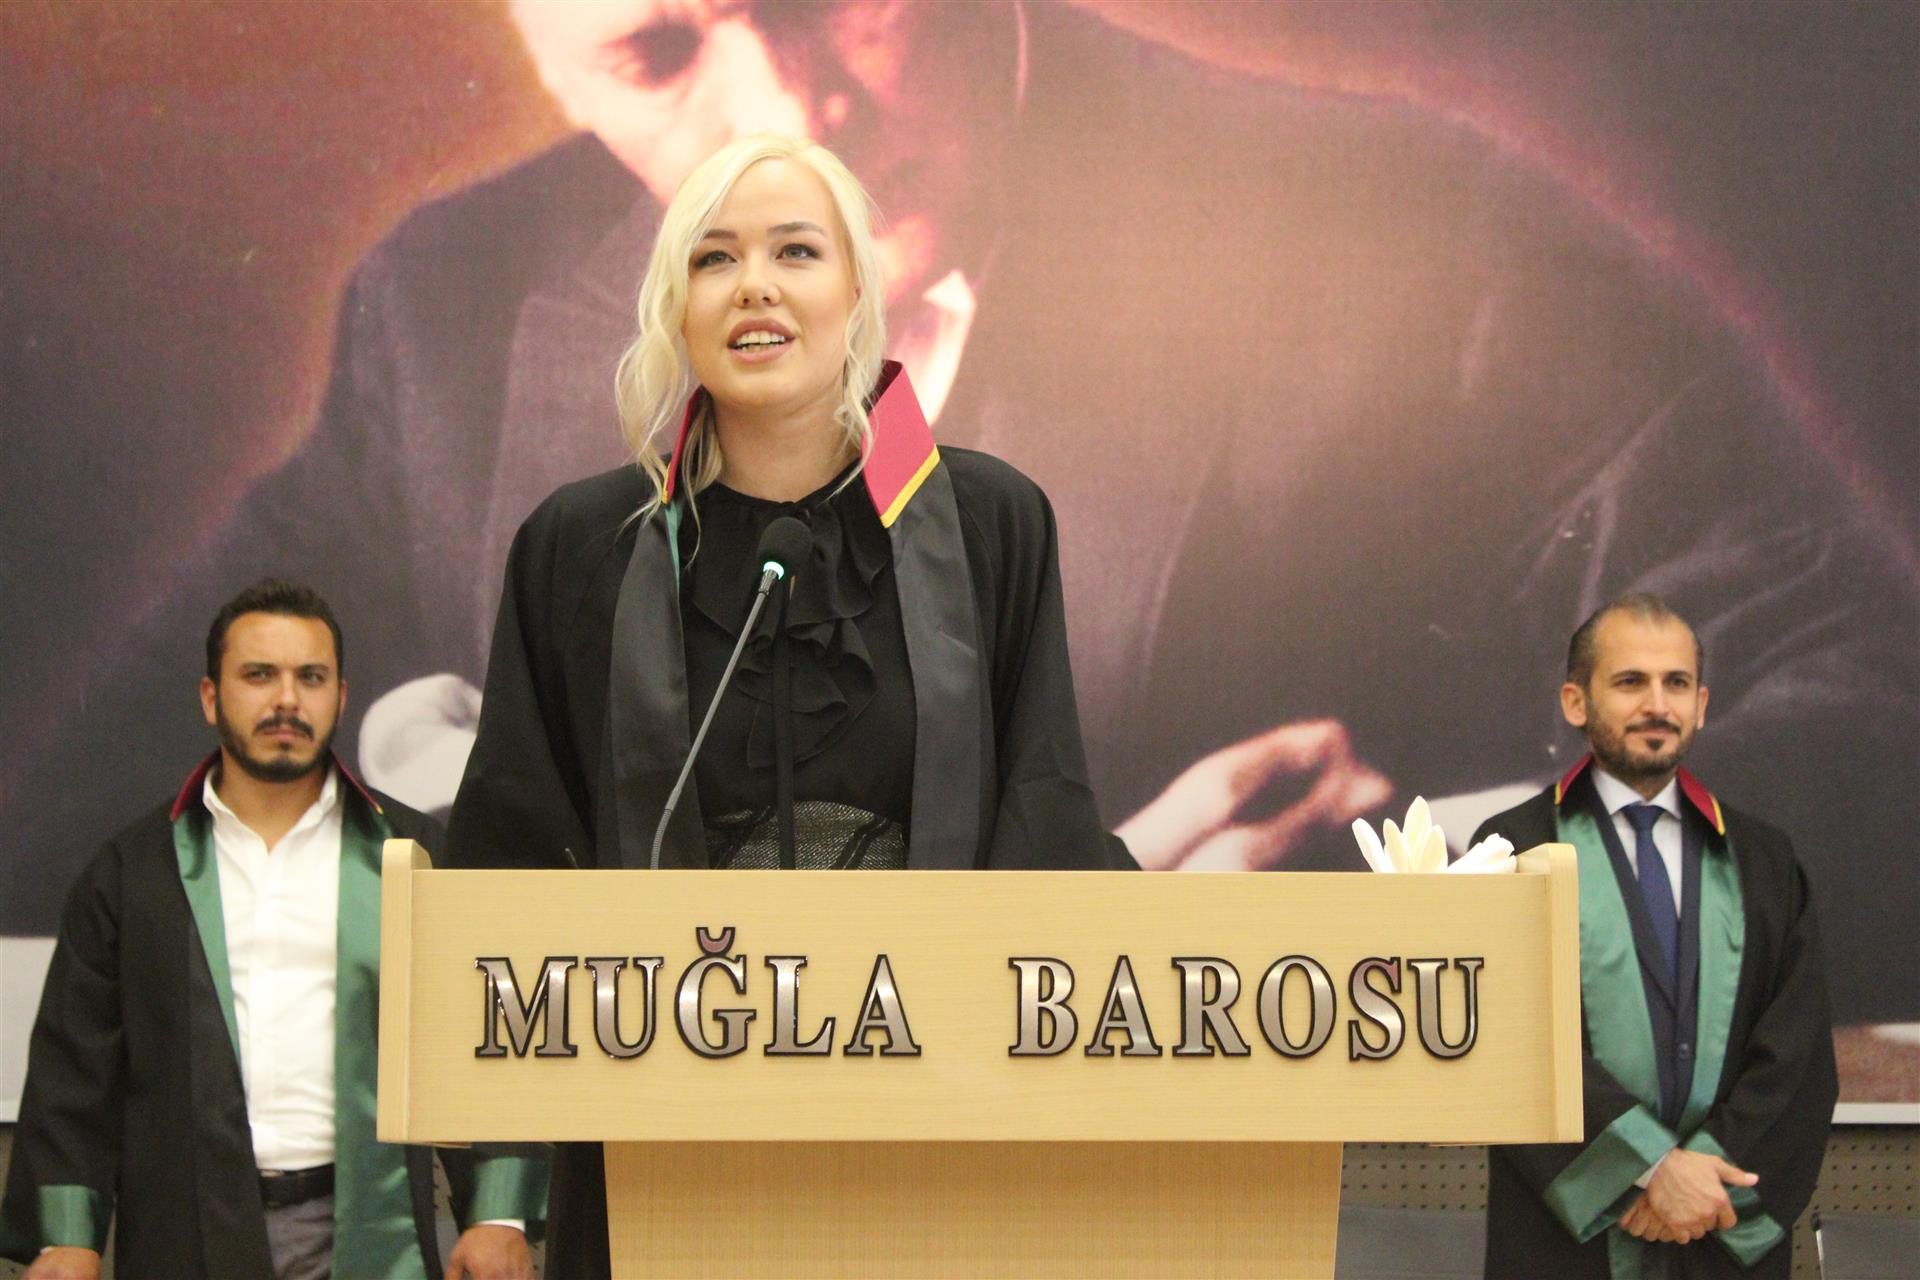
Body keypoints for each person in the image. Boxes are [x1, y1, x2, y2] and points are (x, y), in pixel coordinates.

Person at [8, 1, 1914, 1038]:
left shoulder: (1421, 240)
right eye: (659, 56)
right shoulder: (442, 311)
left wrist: (1418, 927)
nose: (787, 125)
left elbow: (1873, 709)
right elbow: (76, 829)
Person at [443, 132, 1133, 1277]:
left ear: (858, 288)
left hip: (931, 1136)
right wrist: (505, 1197)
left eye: (796, 251)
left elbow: (1043, 815)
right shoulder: (581, 547)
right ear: (676, 305)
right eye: (714, 258)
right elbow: (513, 869)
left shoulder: (989, 522)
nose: (754, 284)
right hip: (660, 1140)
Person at [0, 580, 545, 1280]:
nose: (287, 699)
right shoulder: (133, 875)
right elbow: (75, 1072)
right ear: (210, 697)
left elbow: (488, 1037)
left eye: (310, 678)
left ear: (341, 698)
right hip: (185, 1231)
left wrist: (498, 1214)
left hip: (366, 1227)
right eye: (259, 675)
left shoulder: (413, 856)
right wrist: (67, 1238)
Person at [1471, 594, 1835, 1279]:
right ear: (1576, 702)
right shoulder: (1510, 848)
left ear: (1702, 705)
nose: (1657, 705)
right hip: (1567, 1242)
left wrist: (1701, 1181)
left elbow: (1797, 1054)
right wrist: (1644, 1168)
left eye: (1677, 683)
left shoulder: (1763, 859)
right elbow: (1506, 1036)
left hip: (1716, 1227)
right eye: (1630, 681)